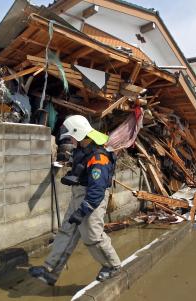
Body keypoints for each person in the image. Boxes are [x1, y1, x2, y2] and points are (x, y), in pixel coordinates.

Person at [29, 115, 121, 285]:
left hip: (92, 199)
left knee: (92, 236)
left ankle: (112, 266)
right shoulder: (81, 149)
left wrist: (83, 210)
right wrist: (72, 177)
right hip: (79, 195)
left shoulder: (99, 157)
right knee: (67, 231)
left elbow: (97, 190)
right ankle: (50, 270)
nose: (69, 138)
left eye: (71, 135)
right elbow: (80, 169)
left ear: (79, 134)